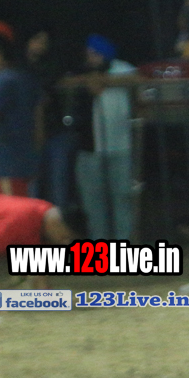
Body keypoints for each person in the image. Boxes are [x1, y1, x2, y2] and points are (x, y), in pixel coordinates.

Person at [70, 35, 137, 241]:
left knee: (122, 198)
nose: (91, 58)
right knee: (93, 202)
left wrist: (105, 81)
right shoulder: (82, 71)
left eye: (95, 53)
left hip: (120, 146)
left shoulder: (120, 68)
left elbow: (138, 79)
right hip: (89, 147)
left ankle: (122, 244)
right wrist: (88, 81)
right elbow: (65, 81)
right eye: (89, 54)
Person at [0, 33, 42, 197]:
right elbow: (39, 123)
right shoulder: (25, 78)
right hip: (27, 163)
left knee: (10, 211)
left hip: (5, 167)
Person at [0, 193, 85, 290]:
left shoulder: (44, 213)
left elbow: (35, 260)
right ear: (57, 224)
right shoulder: (18, 221)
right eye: (64, 237)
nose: (65, 243)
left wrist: (44, 291)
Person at [26, 27, 75, 207]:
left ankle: (57, 222)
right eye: (37, 40)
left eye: (45, 42)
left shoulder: (53, 63)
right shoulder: (17, 65)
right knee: (31, 186)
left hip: (55, 131)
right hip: (27, 134)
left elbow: (54, 77)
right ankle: (32, 223)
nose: (41, 45)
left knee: (58, 185)